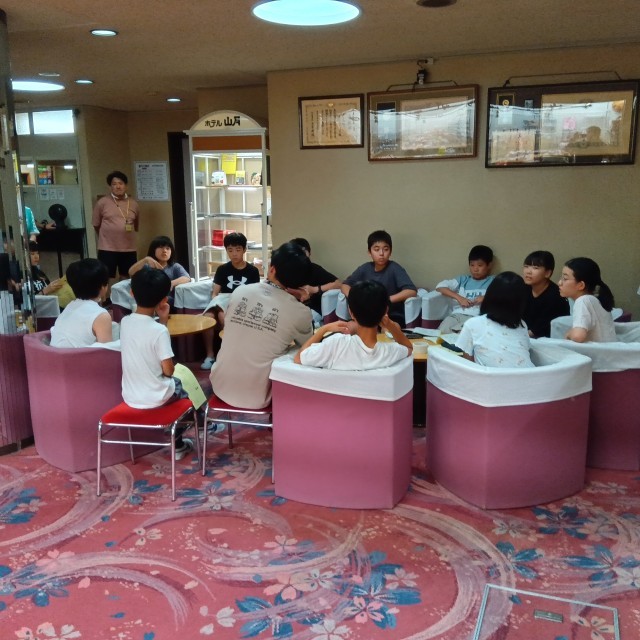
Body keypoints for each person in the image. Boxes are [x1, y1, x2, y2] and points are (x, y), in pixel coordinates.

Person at [210, 241, 313, 409]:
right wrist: (304, 302)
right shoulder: (300, 311)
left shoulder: (240, 291)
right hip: (258, 396)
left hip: (218, 384)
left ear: (272, 269)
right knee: (298, 352)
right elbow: (309, 347)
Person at [120, 268, 193, 460]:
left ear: (132, 293)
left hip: (130, 395)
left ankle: (198, 422)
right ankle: (180, 442)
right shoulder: (159, 331)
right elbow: (168, 371)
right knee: (188, 385)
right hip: (157, 396)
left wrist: (162, 320)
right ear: (164, 300)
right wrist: (163, 323)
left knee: (181, 383)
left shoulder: (125, 322)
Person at [295, 280, 412, 369]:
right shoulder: (388, 352)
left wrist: (323, 329)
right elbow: (409, 348)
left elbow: (299, 358)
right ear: (386, 311)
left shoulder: (336, 344)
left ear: (350, 312)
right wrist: (390, 325)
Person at [200, 232, 261, 370]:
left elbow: (254, 294)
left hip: (242, 301)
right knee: (207, 317)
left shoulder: (252, 271)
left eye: (238, 250)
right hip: (222, 299)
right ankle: (210, 355)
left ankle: (228, 355)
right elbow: (215, 293)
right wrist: (217, 302)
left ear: (244, 250)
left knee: (223, 315)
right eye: (230, 250)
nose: (234, 254)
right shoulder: (222, 269)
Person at [455, 271, 534, 368]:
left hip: (493, 377)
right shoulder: (522, 324)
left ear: (489, 295)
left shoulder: (472, 324)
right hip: (531, 375)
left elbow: (469, 366)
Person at [341, 230, 416, 327]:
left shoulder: (394, 268)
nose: (381, 253)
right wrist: (356, 298)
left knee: (388, 328)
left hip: (391, 315)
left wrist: (386, 300)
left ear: (390, 252)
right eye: (376, 249)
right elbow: (345, 285)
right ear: (369, 252)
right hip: (367, 315)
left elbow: (411, 291)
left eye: (386, 249)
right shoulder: (365, 268)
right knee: (350, 327)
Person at [50, 258, 112, 347]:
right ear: (103, 287)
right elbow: (106, 352)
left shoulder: (70, 307)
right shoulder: (101, 315)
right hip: (78, 356)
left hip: (52, 355)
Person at [92, 171, 139, 288]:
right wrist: (106, 236)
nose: (118, 186)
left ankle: (122, 298)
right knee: (105, 277)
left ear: (126, 186)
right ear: (110, 187)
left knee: (127, 276)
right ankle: (104, 298)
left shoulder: (133, 204)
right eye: (114, 184)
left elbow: (136, 225)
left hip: (128, 248)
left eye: (121, 183)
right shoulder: (102, 202)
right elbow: (96, 224)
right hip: (107, 248)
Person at [436, 245, 495, 333]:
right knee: (442, 330)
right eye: (472, 265)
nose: (475, 269)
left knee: (461, 332)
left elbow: (505, 294)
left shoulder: (493, 281)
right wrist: (460, 298)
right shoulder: (463, 280)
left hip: (477, 317)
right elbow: (440, 287)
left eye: (480, 265)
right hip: (457, 314)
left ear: (489, 265)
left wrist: (486, 297)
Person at [558, 257, 617, 343]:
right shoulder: (595, 300)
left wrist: (569, 334)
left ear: (581, 285)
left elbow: (578, 336)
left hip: (596, 351)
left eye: (565, 279)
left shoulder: (582, 301)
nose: (559, 283)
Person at [128, 235, 190, 308]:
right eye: (161, 247)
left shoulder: (174, 267)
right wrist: (145, 260)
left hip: (167, 302)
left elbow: (187, 278)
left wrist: (171, 283)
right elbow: (131, 272)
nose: (164, 251)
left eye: (168, 248)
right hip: (148, 300)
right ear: (153, 250)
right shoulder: (147, 266)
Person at [290, 237, 342, 323]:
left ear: (309, 253)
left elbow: (339, 284)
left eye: (303, 251)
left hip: (313, 312)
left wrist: (314, 289)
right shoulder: (287, 271)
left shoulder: (314, 269)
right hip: (291, 309)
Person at [522, 250, 569, 338]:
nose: (528, 271)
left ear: (547, 273)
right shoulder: (524, 288)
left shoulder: (556, 297)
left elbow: (536, 331)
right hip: (526, 336)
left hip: (548, 340)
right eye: (526, 266)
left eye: (535, 268)